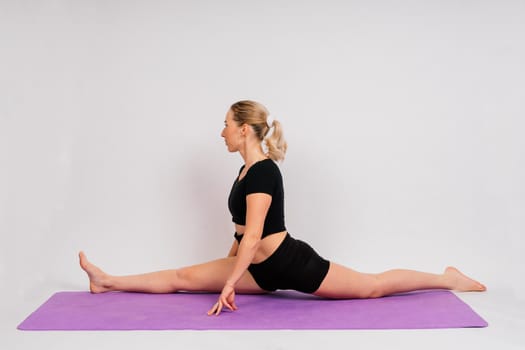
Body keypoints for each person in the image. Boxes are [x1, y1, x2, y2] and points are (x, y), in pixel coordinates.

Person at [79, 100, 486, 316]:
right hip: (254, 265)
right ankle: (108, 281)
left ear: (243, 129)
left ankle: (446, 278)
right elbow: (241, 232)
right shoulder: (244, 171)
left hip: (289, 264)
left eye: (224, 124)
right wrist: (228, 267)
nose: (220, 132)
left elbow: (256, 235)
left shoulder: (263, 173)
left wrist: (227, 283)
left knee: (371, 286)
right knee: (184, 275)